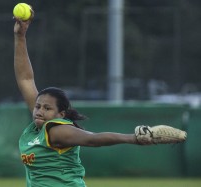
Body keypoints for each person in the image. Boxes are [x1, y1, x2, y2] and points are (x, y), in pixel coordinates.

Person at [13, 9, 185, 187]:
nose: (40, 111)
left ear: (61, 114)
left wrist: (132, 138)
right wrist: (20, 36)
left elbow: (92, 139)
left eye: (47, 108)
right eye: (38, 106)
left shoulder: (55, 130)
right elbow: (26, 79)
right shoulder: (37, 127)